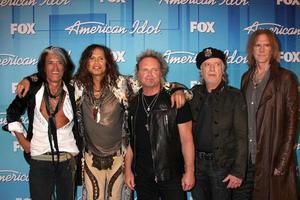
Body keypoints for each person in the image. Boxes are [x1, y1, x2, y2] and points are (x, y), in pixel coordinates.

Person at [16, 44, 188, 200]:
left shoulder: (123, 83)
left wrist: (179, 89)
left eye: (101, 58)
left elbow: (152, 81)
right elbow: (52, 75)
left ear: (108, 62)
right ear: (85, 62)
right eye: (92, 58)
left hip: (120, 157)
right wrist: (30, 79)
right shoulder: (76, 85)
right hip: (90, 157)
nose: (96, 62)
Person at [3, 46, 81, 200]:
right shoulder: (32, 89)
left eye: (59, 62)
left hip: (68, 161)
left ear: (65, 67)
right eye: (50, 63)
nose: (55, 67)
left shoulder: (74, 90)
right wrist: (23, 141)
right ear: (43, 67)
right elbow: (12, 113)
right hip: (39, 160)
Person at [233, 29, 298, 200]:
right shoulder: (246, 77)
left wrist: (282, 162)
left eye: (266, 45)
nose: (261, 50)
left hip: (271, 157)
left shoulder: (286, 78)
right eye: (257, 45)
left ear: (273, 49)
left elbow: (292, 123)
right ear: (252, 50)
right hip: (248, 160)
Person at [124, 49, 195, 200]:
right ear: (138, 73)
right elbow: (131, 141)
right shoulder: (133, 104)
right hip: (143, 177)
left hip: (171, 176)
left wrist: (189, 171)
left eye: (154, 70)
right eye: (145, 70)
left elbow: (187, 140)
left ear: (161, 72)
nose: (150, 74)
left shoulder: (176, 100)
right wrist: (128, 170)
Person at [189, 47, 248, 200]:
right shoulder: (193, 93)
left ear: (223, 69)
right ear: (201, 71)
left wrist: (238, 171)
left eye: (217, 64)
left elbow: (242, 136)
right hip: (195, 165)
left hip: (222, 166)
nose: (212, 69)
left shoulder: (235, 96)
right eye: (207, 65)